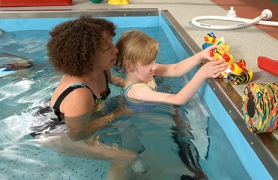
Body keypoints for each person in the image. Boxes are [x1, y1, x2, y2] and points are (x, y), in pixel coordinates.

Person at [32, 16, 142, 180]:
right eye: (107, 48)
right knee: (126, 157)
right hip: (51, 131)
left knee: (128, 103)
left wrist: (136, 86)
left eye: (112, 43)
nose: (116, 50)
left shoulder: (101, 68)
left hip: (72, 115)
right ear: (87, 57)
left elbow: (112, 80)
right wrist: (117, 114)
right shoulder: (79, 94)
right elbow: (76, 135)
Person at [114, 29, 228, 107]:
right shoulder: (137, 91)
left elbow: (175, 69)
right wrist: (202, 73)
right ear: (129, 65)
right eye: (148, 62)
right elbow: (177, 99)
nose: (154, 66)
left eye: (153, 60)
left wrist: (201, 56)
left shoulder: (140, 70)